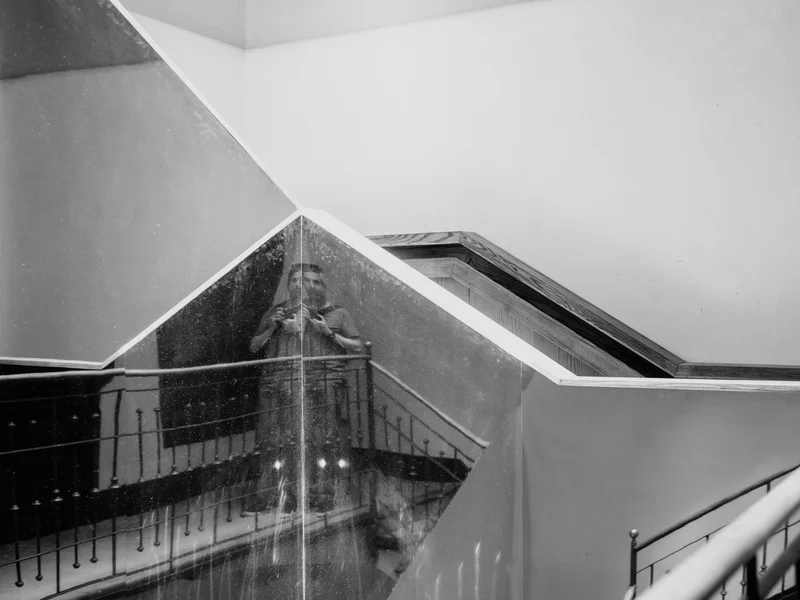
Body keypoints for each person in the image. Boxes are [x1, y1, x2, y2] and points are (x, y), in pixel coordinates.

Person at [245, 263, 364, 515]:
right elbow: (254, 347)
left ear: (323, 285)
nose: (304, 285)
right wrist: (273, 327)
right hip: (277, 383)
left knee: (323, 440)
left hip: (323, 384)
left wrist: (328, 333)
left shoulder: (338, 312)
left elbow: (359, 348)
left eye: (313, 281)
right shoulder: (275, 312)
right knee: (274, 441)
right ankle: (276, 496)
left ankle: (321, 494)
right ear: (289, 285)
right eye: (297, 280)